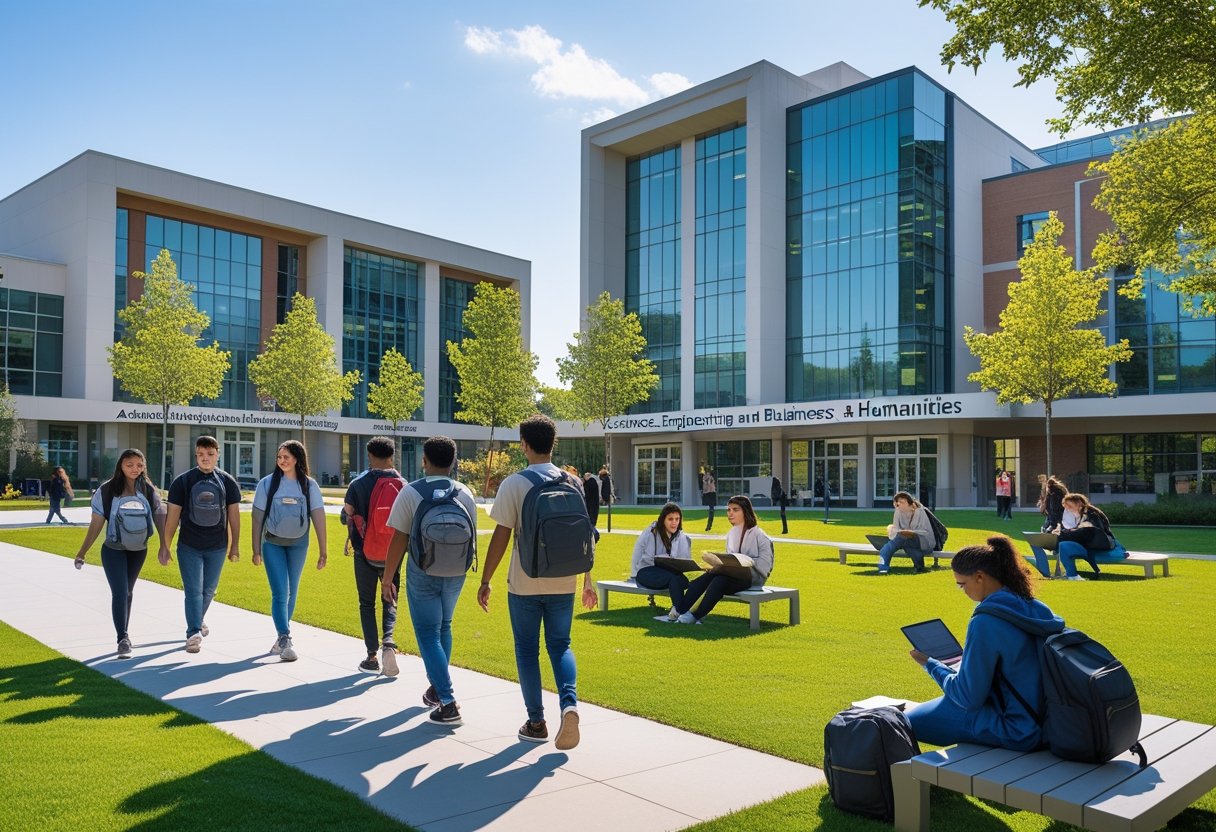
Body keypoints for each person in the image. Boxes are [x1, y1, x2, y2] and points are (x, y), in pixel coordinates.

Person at [479, 414, 598, 750]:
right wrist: (587, 580)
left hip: (525, 582)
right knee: (560, 645)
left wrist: (486, 579)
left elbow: (501, 537)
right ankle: (570, 704)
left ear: (524, 445)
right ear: (553, 444)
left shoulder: (515, 484)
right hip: (565, 581)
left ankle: (536, 722)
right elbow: (586, 537)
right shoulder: (572, 481)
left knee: (527, 650)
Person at [905, 535, 1064, 751]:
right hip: (1049, 721)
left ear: (979, 577)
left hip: (1018, 729)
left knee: (905, 723)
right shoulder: (1035, 607)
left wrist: (930, 664)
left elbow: (968, 697)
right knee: (942, 703)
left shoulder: (986, 620)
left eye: (962, 585)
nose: (963, 591)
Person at [381, 435, 477, 726]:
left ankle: (447, 701)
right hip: (456, 570)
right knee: (444, 627)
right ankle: (437, 688)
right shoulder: (465, 492)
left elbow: (399, 538)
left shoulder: (411, 492)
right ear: (453, 461)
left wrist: (387, 578)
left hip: (423, 569)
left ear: (424, 460)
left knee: (427, 632)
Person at [72, 449, 167, 658]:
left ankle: (124, 633)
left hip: (138, 550)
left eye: (139, 465)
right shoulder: (107, 491)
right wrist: (82, 552)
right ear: (121, 466)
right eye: (129, 464)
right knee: (121, 592)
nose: (135, 469)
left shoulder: (148, 490)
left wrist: (164, 545)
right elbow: (96, 523)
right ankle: (122, 638)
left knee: (129, 592)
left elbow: (160, 517)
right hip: (113, 550)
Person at [162, 435, 242, 653]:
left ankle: (197, 620)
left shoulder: (227, 482)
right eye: (201, 454)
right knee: (194, 591)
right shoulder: (182, 481)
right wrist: (165, 545)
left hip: (217, 545)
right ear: (195, 454)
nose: (205, 458)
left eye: (210, 454)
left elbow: (234, 517)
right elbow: (172, 517)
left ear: (217, 454)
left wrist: (235, 545)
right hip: (189, 545)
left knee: (209, 589)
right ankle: (193, 632)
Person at [250, 440, 327, 662]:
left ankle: (281, 635)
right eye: (279, 457)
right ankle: (285, 637)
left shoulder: (309, 486)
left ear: (297, 459)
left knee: (292, 591)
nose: (282, 461)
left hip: (299, 544)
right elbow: (257, 519)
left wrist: (323, 551)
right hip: (272, 543)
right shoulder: (267, 484)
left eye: (286, 457)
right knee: (280, 592)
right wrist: (256, 549)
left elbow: (319, 518)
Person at [343, 436, 405, 676]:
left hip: (364, 552)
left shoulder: (358, 484)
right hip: (393, 554)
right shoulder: (404, 484)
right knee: (390, 598)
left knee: (366, 603)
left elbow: (345, 516)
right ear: (392, 456)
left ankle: (371, 656)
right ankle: (388, 642)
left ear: (370, 456)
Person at [665, 495, 773, 625]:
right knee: (713, 578)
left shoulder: (760, 536)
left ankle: (692, 614)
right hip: (731, 577)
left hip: (753, 579)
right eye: (728, 510)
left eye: (735, 509)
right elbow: (730, 558)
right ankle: (682, 610)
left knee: (717, 579)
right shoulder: (732, 533)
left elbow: (765, 568)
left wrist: (744, 563)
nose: (730, 513)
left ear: (745, 511)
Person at [1028, 492, 1123, 581]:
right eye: (1066, 507)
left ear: (1079, 504)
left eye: (1070, 506)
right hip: (1086, 543)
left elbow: (1093, 531)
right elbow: (1076, 531)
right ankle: (1071, 574)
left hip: (1099, 543)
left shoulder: (1092, 514)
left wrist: (1065, 532)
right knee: (1063, 545)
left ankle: (1051, 544)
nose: (1068, 509)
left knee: (1064, 541)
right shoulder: (1078, 515)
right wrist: (1063, 531)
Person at [631, 502, 693, 621]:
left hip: (667, 572)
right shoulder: (650, 532)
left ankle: (678, 609)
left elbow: (684, 559)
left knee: (683, 581)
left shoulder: (681, 536)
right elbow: (637, 552)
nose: (674, 522)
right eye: (670, 519)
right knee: (674, 579)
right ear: (663, 519)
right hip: (646, 571)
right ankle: (681, 611)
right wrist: (633, 575)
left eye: (677, 519)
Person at [876, 491, 934, 574]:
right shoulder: (898, 511)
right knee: (902, 546)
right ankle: (919, 567)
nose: (899, 504)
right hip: (904, 540)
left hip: (921, 540)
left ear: (910, 503)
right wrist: (899, 531)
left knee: (891, 545)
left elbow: (925, 532)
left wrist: (911, 532)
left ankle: (883, 567)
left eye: (902, 502)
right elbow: (896, 528)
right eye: (898, 502)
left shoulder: (920, 512)